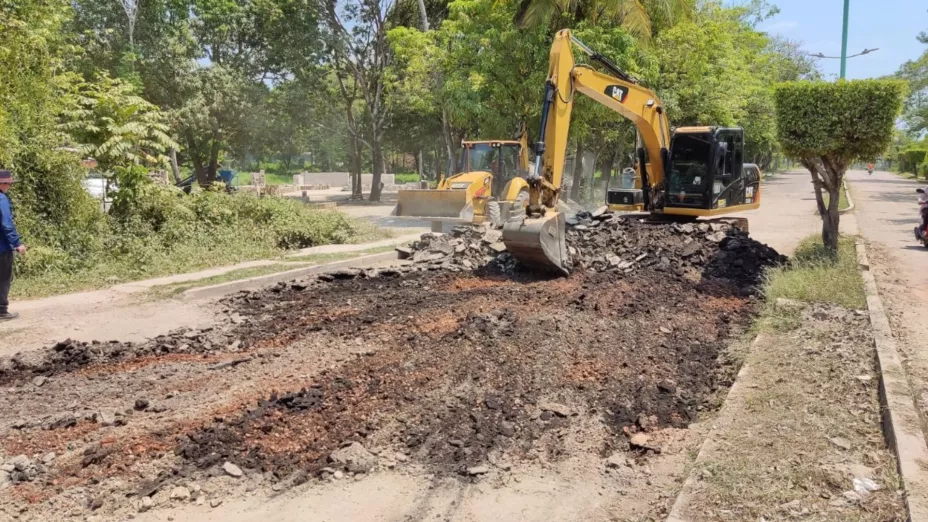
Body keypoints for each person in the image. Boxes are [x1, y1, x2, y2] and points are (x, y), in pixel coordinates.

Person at [0, 169, 25, 321]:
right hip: (2, 248)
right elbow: (6, 224)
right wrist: (17, 243)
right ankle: (2, 311)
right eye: (8, 184)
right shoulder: (1, 199)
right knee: (3, 279)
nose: (9, 187)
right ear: (2, 184)